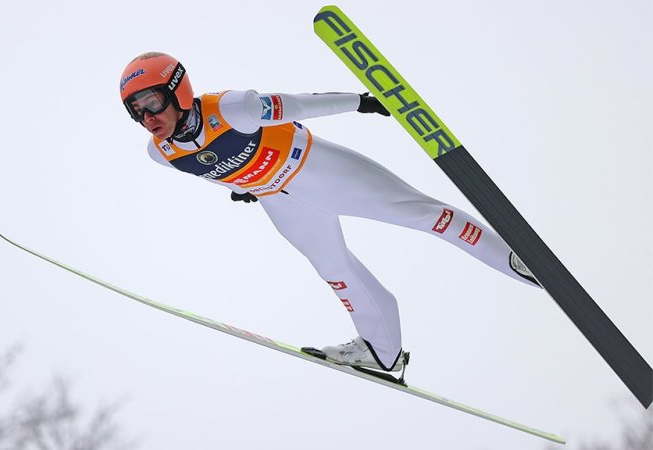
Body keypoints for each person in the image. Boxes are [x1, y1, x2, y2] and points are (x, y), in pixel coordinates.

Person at [119, 52, 540, 374]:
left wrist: (359, 102)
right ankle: (383, 352)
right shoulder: (161, 153)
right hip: (279, 201)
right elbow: (210, 167)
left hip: (317, 169)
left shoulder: (231, 108)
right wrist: (242, 186)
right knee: (337, 271)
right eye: (136, 111)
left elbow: (299, 105)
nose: (148, 117)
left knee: (423, 214)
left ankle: (516, 260)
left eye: (152, 102)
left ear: (179, 90)